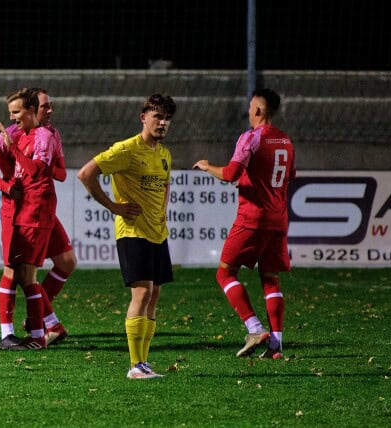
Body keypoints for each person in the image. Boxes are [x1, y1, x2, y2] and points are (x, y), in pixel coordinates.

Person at [77, 94, 177, 379]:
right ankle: (135, 365)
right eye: (157, 116)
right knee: (142, 292)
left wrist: (162, 212)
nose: (163, 123)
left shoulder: (164, 154)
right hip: (132, 232)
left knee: (154, 294)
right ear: (143, 117)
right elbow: (86, 174)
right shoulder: (126, 150)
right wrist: (113, 206)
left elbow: (165, 185)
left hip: (157, 233)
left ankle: (144, 362)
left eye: (167, 118)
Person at [192, 88, 294, 360]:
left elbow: (229, 174)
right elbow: (288, 176)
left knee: (224, 273)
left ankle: (254, 327)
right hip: (278, 218)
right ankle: (276, 345)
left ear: (259, 110)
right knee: (271, 279)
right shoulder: (285, 140)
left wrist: (206, 166)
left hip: (253, 217)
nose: (249, 111)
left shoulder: (250, 138)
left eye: (251, 107)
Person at [0, 88, 76, 349]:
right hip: (19, 208)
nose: (50, 111)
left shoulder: (46, 134)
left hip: (37, 209)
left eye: (49, 106)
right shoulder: (14, 134)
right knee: (18, 273)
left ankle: (40, 329)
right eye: (46, 106)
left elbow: (50, 172)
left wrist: (36, 163)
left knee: (51, 267)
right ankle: (36, 328)